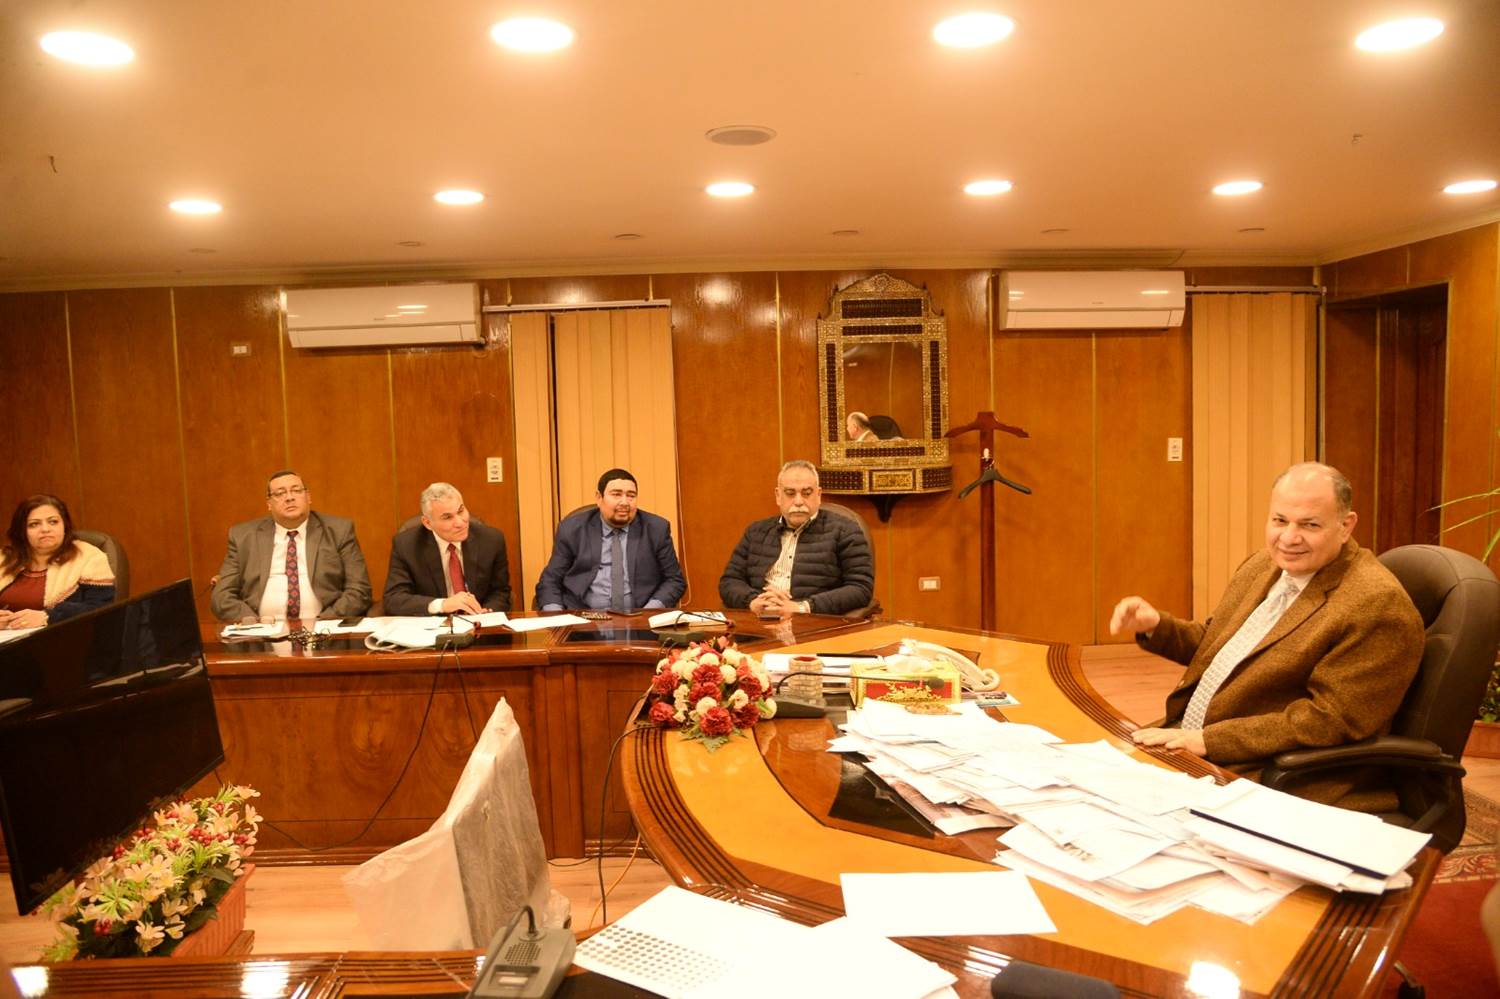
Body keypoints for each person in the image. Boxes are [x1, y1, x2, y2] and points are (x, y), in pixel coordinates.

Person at [1109, 462, 1423, 810]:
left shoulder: (1375, 604)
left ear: (1345, 526)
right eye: (1280, 520)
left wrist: (1209, 740)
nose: (1289, 538)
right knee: (1091, 788)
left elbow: (1330, 719)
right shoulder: (1263, 565)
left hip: (1270, 769)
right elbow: (1218, 647)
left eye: (1309, 525)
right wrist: (1156, 626)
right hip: (1192, 739)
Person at [210, 470, 372, 623]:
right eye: (279, 493)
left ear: (308, 497)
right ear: (269, 504)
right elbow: (222, 597)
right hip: (261, 631)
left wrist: (323, 622)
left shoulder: (338, 531)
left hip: (323, 630)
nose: (289, 498)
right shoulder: (243, 537)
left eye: (296, 490)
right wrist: (254, 623)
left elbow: (359, 590)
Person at [719, 459, 874, 618]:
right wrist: (753, 601)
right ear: (778, 496)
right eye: (790, 493)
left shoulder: (845, 530)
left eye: (806, 493)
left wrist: (802, 607)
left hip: (812, 623)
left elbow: (860, 588)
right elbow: (729, 581)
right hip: (757, 620)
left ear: (818, 495)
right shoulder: (756, 532)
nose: (799, 501)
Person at [535, 468, 685, 611]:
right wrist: (557, 617)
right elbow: (550, 580)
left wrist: (649, 612)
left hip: (639, 617)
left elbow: (674, 580)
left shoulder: (656, 529)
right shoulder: (572, 529)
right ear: (599, 498)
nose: (624, 502)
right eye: (616, 494)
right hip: (583, 618)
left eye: (631, 495)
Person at [383, 482, 511, 615]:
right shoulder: (407, 546)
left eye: (461, 511)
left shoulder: (491, 540)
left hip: (478, 622)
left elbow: (500, 592)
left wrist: (487, 612)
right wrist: (442, 605)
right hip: (433, 624)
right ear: (428, 523)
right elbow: (393, 599)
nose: (460, 523)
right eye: (447, 517)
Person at [0, 494, 115, 629]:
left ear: (65, 525)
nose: (45, 529)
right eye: (34, 524)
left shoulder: (89, 556)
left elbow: (102, 608)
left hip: (63, 635)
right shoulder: (4, 558)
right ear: (22, 531)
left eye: (53, 522)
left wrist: (48, 616)